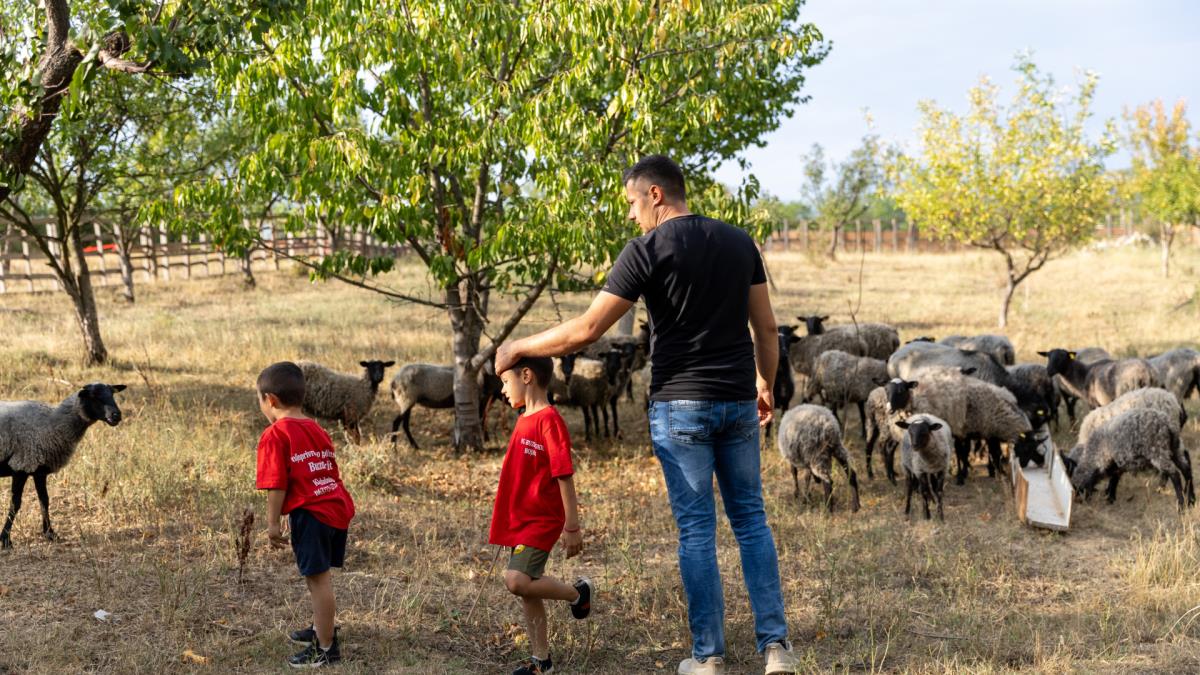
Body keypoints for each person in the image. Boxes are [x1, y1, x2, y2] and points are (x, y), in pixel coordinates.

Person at [496, 155, 797, 674]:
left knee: (698, 531)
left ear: (655, 194)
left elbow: (588, 329)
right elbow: (766, 331)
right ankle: (776, 650)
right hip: (736, 400)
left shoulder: (646, 250)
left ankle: (708, 658)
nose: (632, 216)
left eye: (633, 204)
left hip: (681, 405)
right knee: (751, 521)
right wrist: (764, 383)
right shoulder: (739, 242)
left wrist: (518, 344)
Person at [490, 356, 594, 675]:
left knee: (517, 581)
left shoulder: (549, 420)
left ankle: (578, 593)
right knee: (528, 588)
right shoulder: (523, 419)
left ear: (527, 376)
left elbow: (564, 474)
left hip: (541, 521)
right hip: (520, 520)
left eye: (506, 382)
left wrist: (572, 526)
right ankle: (541, 662)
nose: (503, 390)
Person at [255, 361, 356, 668]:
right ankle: (319, 628)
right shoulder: (316, 427)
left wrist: (272, 523)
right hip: (334, 507)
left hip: (313, 515)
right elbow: (323, 469)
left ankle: (325, 648)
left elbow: (276, 484)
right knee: (319, 578)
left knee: (318, 581)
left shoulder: (275, 435)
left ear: (270, 400)